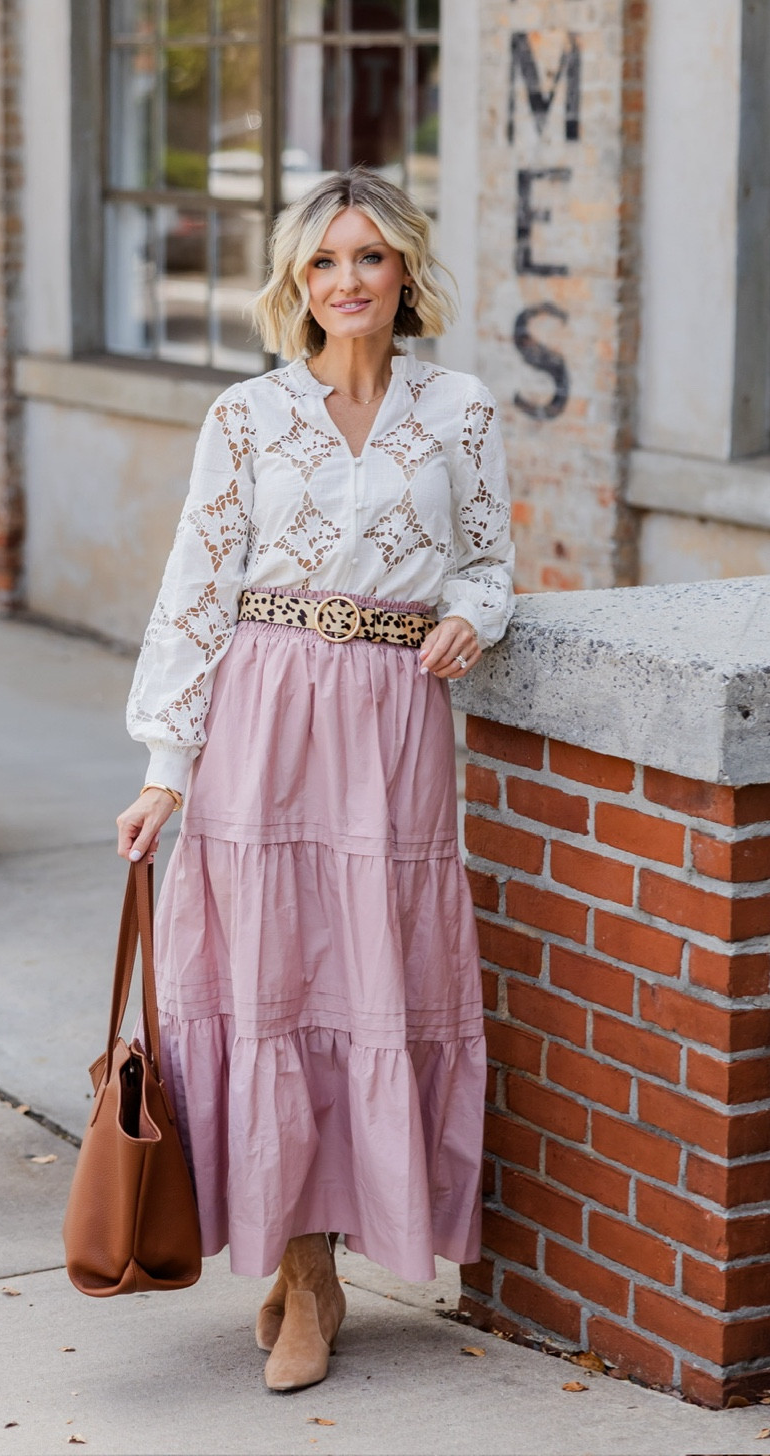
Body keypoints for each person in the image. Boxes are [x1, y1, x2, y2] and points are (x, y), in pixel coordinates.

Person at [116, 169, 515, 1394]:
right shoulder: (245, 417)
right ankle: (300, 1266)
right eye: (325, 261)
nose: (347, 280)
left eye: (370, 257)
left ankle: (322, 1264)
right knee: (271, 982)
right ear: (297, 282)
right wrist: (163, 766)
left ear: (405, 273)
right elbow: (195, 586)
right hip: (265, 712)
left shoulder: (459, 409)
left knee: (371, 978)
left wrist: (472, 615)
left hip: (393, 720)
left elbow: (494, 556)